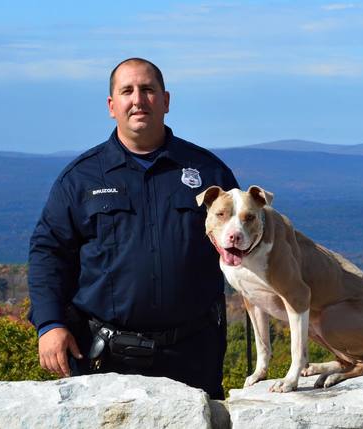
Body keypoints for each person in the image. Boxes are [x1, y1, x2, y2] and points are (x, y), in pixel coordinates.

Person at [28, 58, 238, 399]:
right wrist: (50, 324)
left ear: (166, 101)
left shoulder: (210, 173)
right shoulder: (80, 178)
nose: (138, 99)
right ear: (112, 106)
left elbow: (247, 248)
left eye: (148, 90)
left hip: (193, 354)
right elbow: (48, 254)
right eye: (127, 91)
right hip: (106, 358)